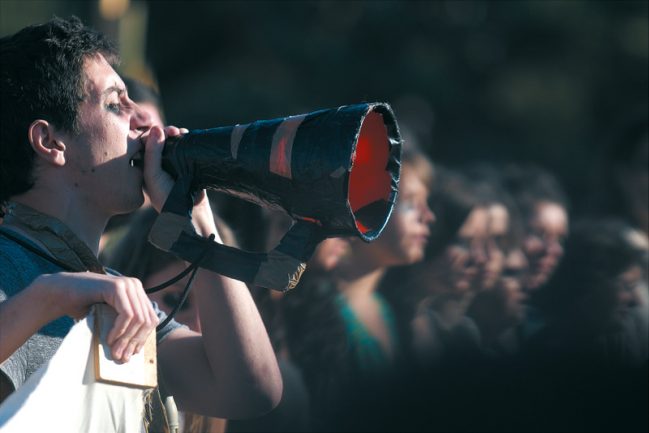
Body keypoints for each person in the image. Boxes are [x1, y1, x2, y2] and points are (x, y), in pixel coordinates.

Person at [0, 16, 281, 427]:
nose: (146, 122)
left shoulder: (109, 290)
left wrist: (196, 218)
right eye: (116, 104)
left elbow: (249, 390)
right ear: (50, 142)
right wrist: (48, 296)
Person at [283, 149, 435, 431]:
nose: (429, 216)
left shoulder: (394, 309)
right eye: (412, 204)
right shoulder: (311, 312)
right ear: (361, 207)